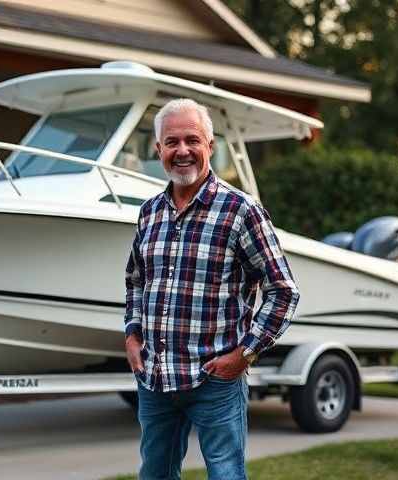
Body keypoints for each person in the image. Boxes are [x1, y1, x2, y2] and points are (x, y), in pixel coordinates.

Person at [124, 98, 300, 480]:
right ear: (159, 150)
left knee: (225, 475)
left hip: (215, 381)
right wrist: (132, 334)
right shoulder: (149, 212)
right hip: (156, 379)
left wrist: (245, 354)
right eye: (172, 142)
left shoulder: (241, 210)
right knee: (154, 474)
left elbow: (283, 290)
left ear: (210, 146)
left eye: (192, 140)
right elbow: (136, 281)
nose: (182, 150)